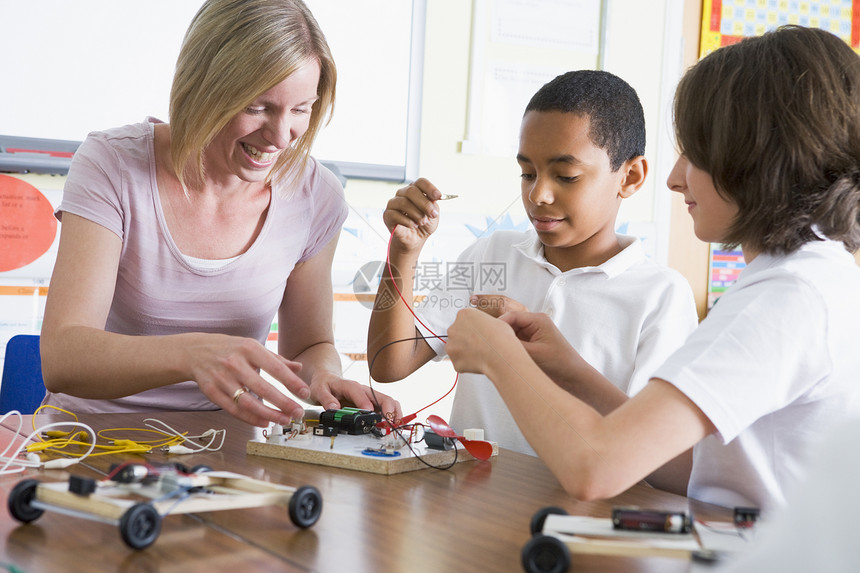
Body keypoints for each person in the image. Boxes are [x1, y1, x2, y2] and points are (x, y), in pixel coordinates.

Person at [443, 25, 860, 512]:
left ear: (758, 160)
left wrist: (499, 358)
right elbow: (685, 467)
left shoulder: (786, 297)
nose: (674, 178)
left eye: (696, 154)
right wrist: (570, 370)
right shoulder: (813, 278)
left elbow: (595, 466)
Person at [39, 0, 399, 428]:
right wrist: (191, 355)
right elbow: (64, 357)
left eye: (301, 109)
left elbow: (309, 344)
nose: (281, 136)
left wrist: (324, 377)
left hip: (225, 446)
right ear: (204, 88)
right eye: (258, 107)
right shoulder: (112, 164)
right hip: (90, 437)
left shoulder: (316, 195)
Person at [367, 70, 697, 456]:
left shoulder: (660, 297)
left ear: (630, 176)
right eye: (527, 173)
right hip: (466, 502)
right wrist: (403, 255)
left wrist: (521, 361)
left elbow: (650, 449)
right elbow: (388, 363)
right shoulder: (491, 256)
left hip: (573, 511)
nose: (538, 194)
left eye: (567, 176)